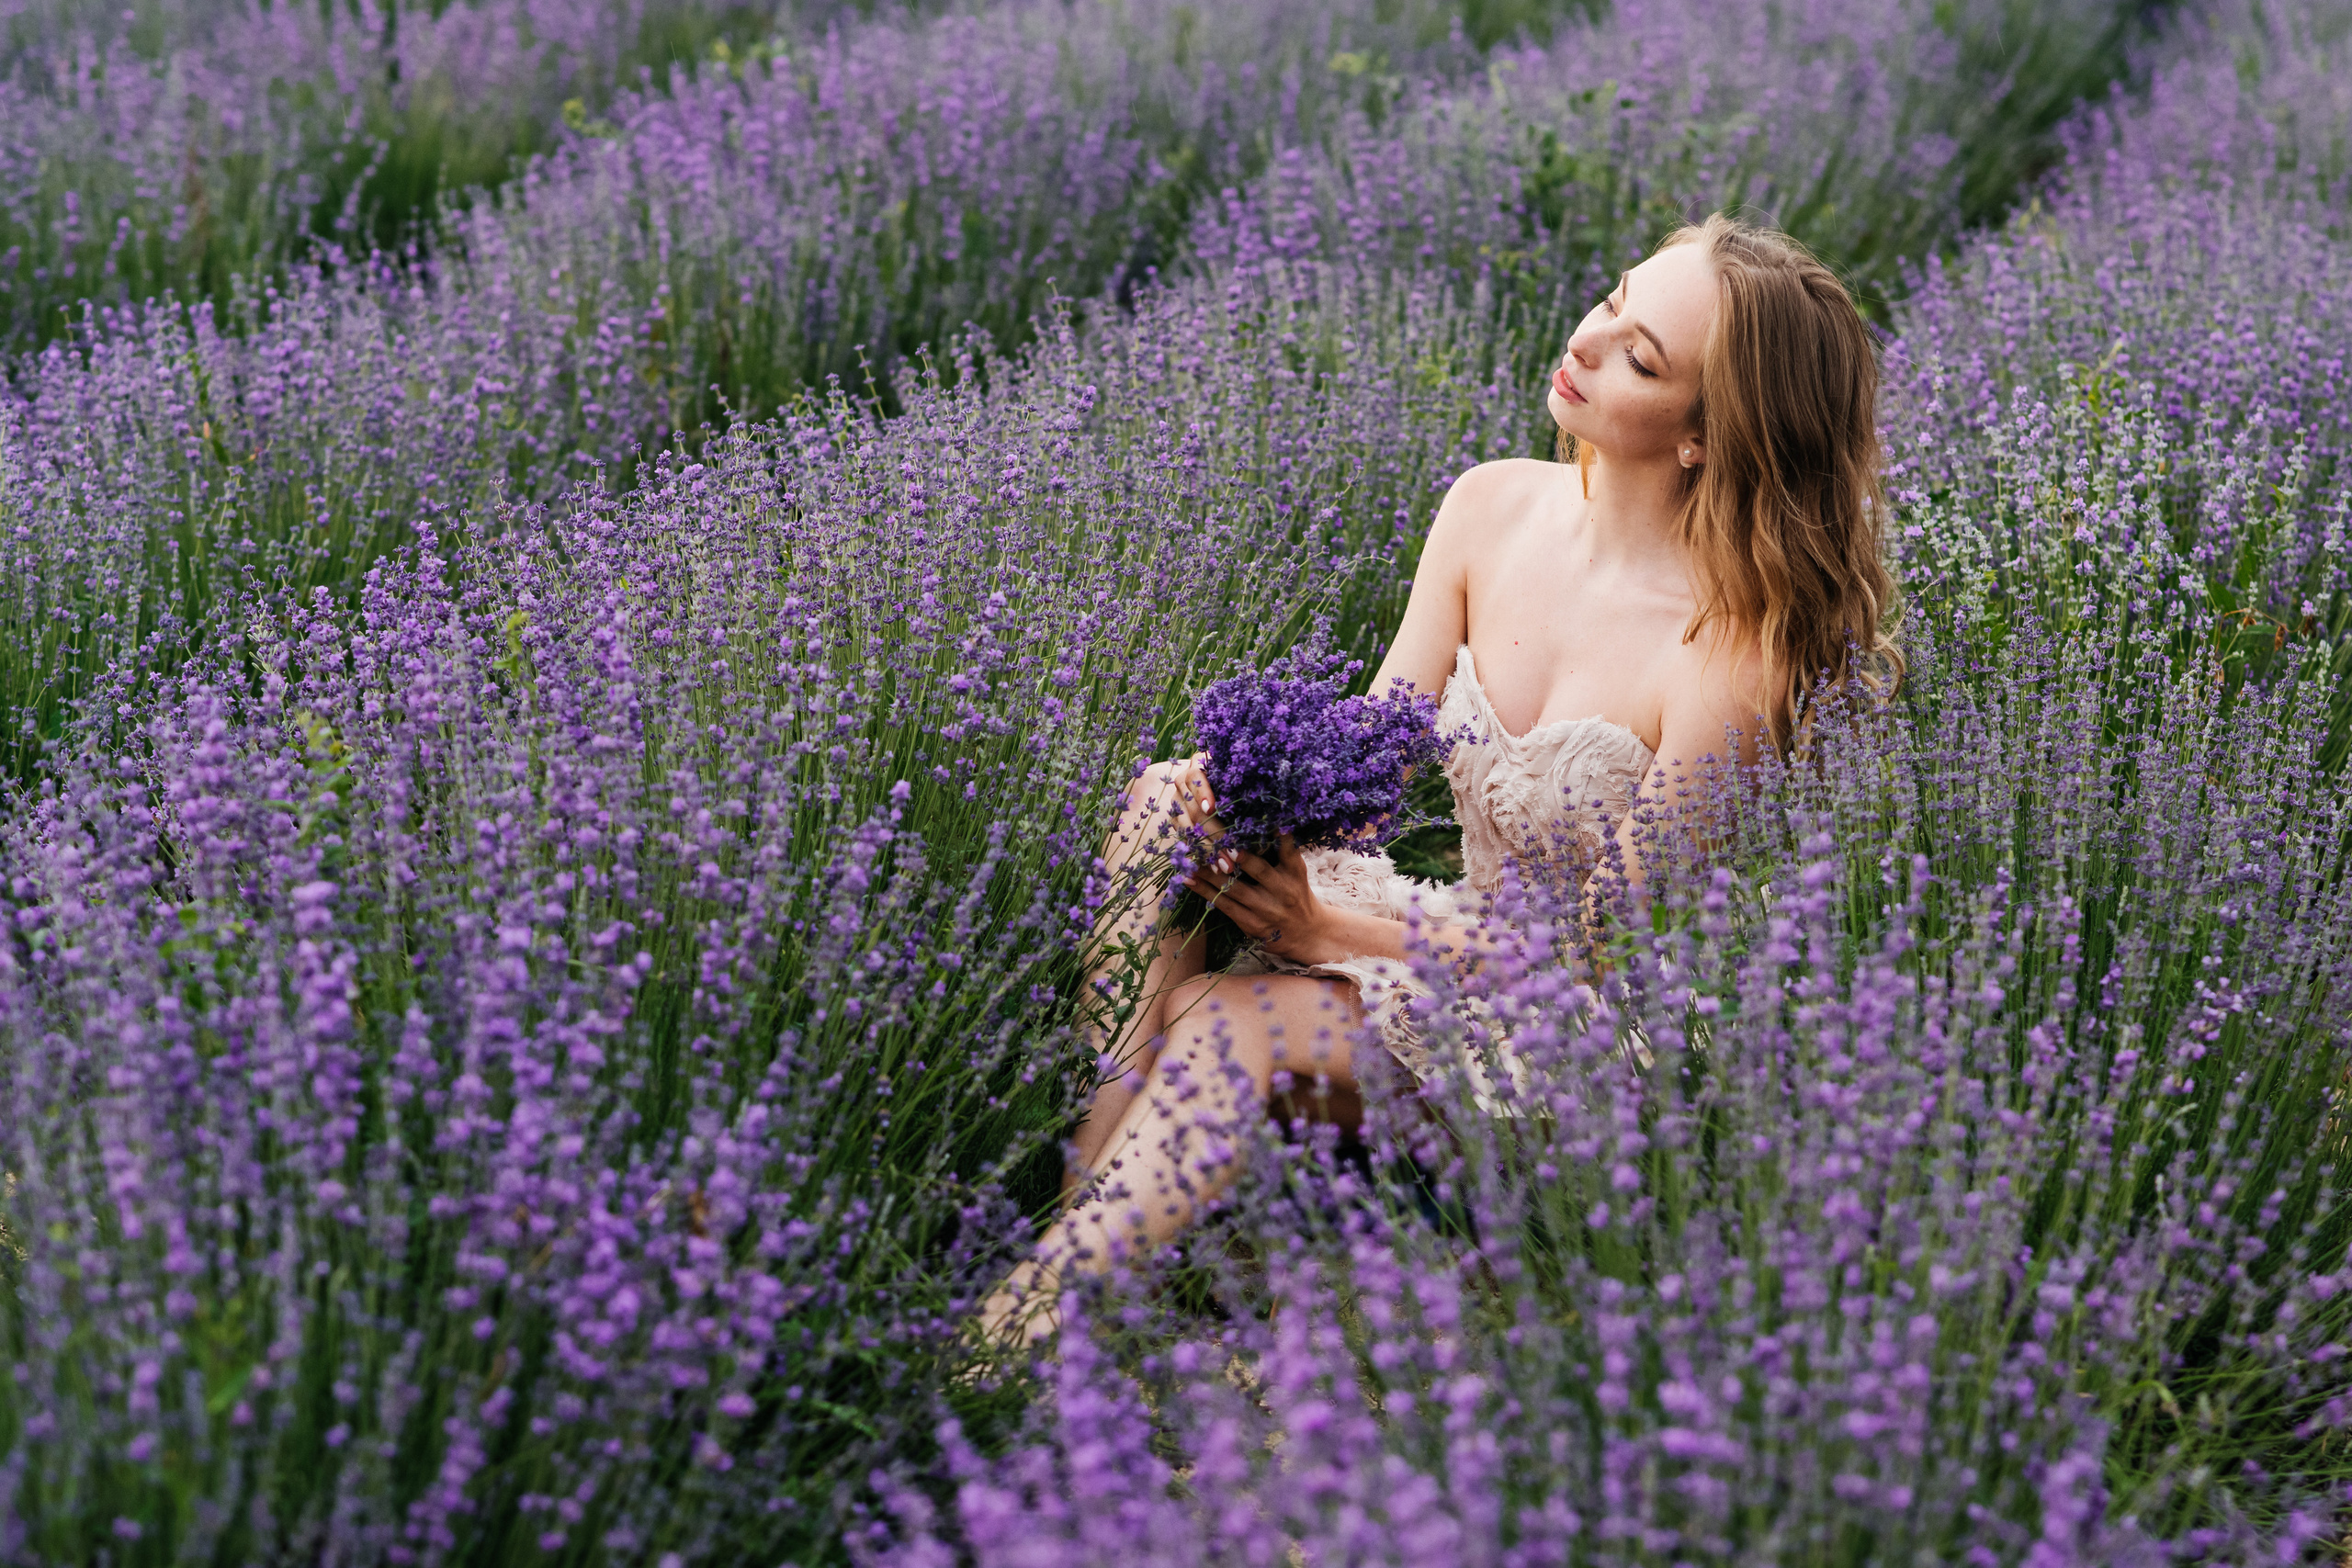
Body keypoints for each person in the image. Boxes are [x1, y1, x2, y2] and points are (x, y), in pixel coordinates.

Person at [976, 212, 1900, 1348]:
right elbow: (1367, 769)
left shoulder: (1730, 650)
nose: (1591, 339)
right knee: (1169, 800)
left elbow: (1590, 951)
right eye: (1613, 300)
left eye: (1642, 357)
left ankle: (1010, 1337)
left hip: (1571, 1027)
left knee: (1223, 1026)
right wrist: (1253, 797)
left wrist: (1329, 932)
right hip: (1442, 930)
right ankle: (1087, 1232)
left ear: (1707, 435)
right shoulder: (1491, 506)